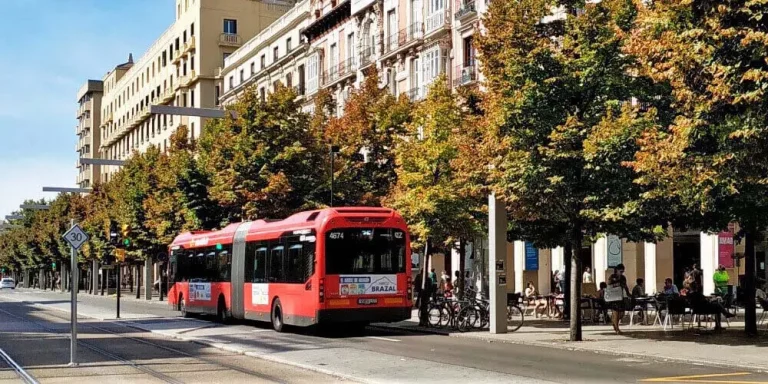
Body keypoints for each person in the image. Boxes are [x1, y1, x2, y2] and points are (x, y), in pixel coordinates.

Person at [607, 264, 630, 334]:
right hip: (614, 297)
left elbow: (625, 286)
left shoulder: (623, 278)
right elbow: (609, 285)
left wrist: (628, 293)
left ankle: (614, 321)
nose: (622, 272)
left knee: (622, 313)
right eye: (621, 271)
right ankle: (617, 329)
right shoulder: (612, 277)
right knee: (616, 312)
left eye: (623, 271)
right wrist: (617, 284)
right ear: (617, 270)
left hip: (621, 296)